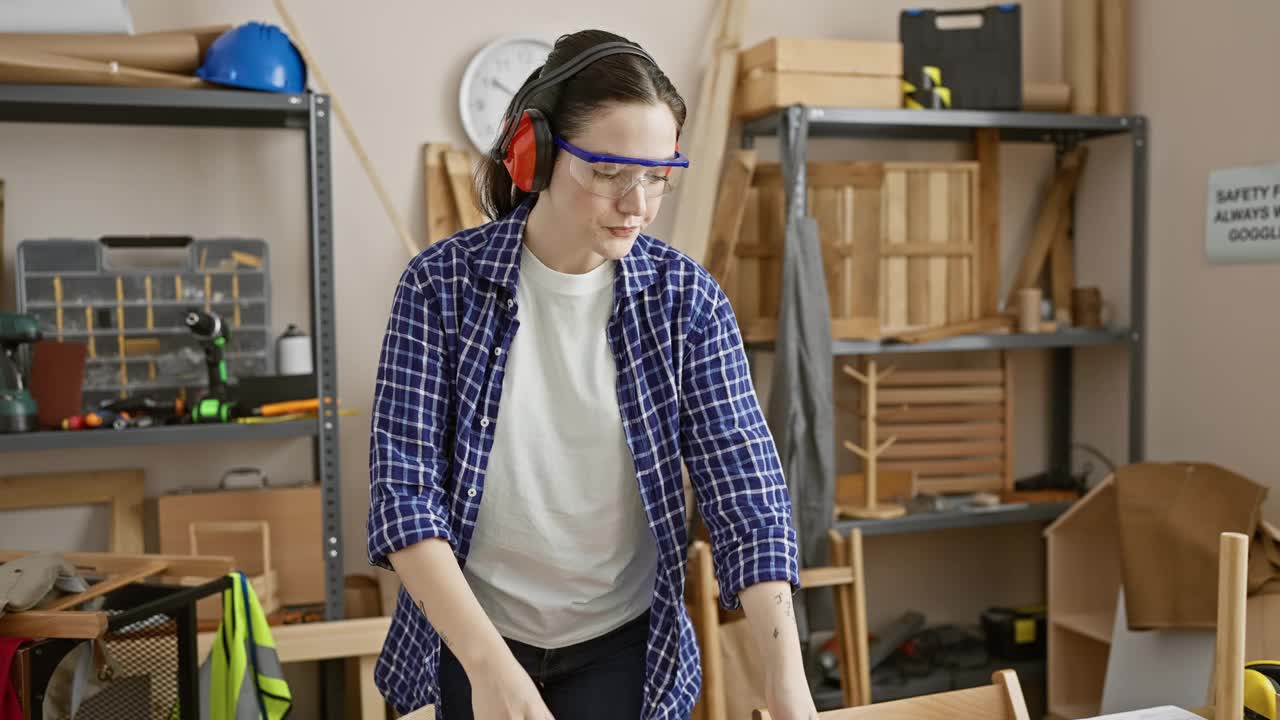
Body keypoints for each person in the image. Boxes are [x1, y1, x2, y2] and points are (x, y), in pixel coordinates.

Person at [367, 29, 817, 720]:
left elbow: (747, 496)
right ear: (536, 154)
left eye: (658, 176)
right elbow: (404, 495)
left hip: (623, 647)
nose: (636, 203)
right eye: (609, 172)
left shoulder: (686, 304)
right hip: (471, 634)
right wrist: (489, 668)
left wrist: (786, 681)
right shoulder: (439, 288)